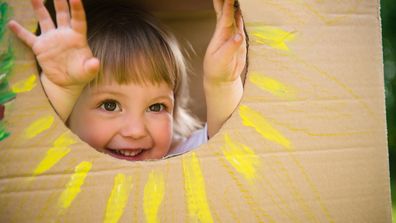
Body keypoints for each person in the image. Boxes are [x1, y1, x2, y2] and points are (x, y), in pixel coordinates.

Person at [8, 0, 247, 161]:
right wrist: (61, 90)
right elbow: (29, 145)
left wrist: (221, 84)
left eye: (156, 107)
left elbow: (223, 140)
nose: (135, 131)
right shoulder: (55, 156)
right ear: (68, 114)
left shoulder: (176, 153)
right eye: (110, 105)